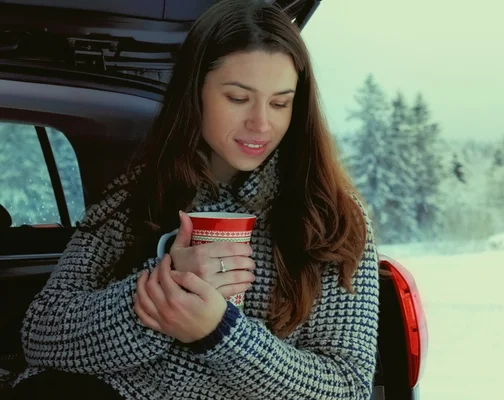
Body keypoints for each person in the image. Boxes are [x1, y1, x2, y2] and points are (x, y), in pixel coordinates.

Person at [11, 0, 380, 399]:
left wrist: (219, 332)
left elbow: (347, 387)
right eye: (238, 98)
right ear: (196, 93)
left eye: (279, 103)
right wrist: (157, 293)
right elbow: (41, 332)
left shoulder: (331, 216)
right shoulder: (138, 193)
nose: (261, 123)